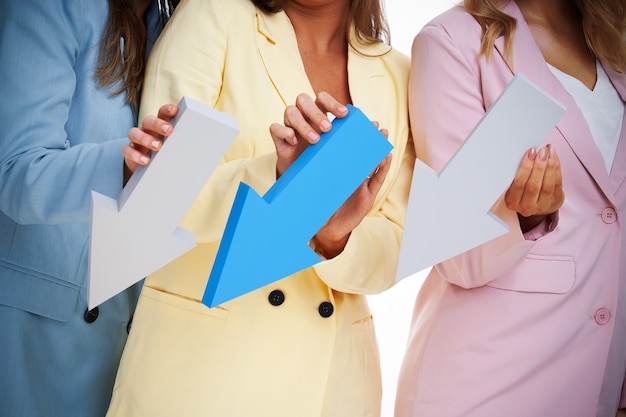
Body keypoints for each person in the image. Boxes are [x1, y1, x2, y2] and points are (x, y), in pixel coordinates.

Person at [105, 0, 414, 415]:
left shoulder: (399, 73)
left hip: (334, 387)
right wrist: (281, 179)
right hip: (204, 374)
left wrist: (333, 238)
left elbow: (397, 241)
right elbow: (157, 191)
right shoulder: (214, 15)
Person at [395, 0, 626, 416]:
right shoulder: (454, 42)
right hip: (488, 384)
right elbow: (455, 254)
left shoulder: (614, 40)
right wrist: (526, 216)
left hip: (596, 386)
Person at [0, 1, 179, 416]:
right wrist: (124, 163)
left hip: (125, 345)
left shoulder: (172, 23)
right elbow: (14, 170)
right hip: (31, 331)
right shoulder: (52, 7)